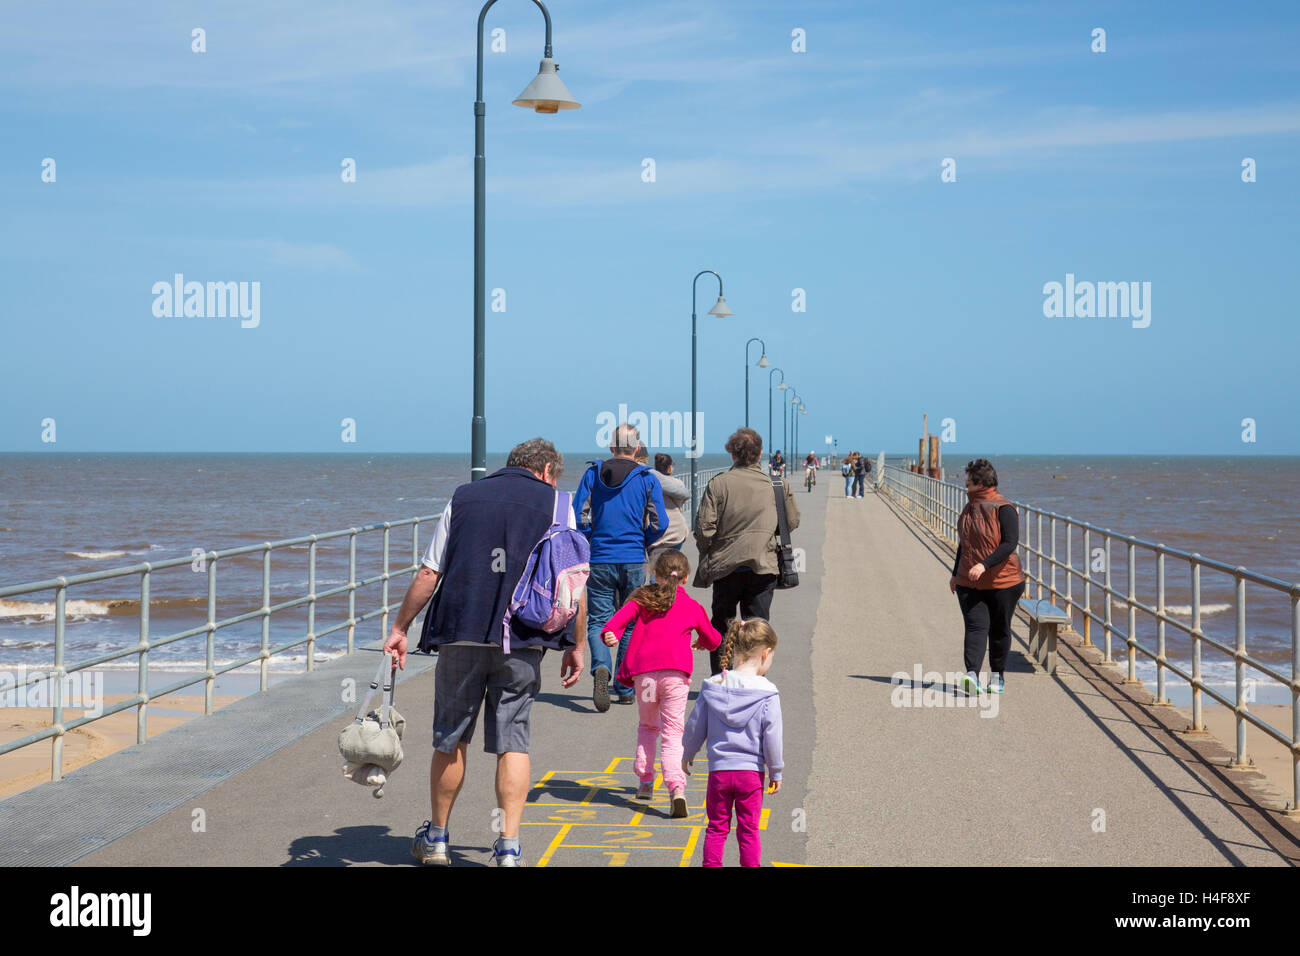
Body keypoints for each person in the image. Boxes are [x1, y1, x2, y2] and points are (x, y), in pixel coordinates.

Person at [383, 438, 586, 868]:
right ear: (547, 469)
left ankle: (437, 839)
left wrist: (401, 627)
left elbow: (429, 571)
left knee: (451, 737)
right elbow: (573, 579)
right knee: (513, 739)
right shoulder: (558, 504)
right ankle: (508, 848)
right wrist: (576, 643)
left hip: (461, 631)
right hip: (524, 638)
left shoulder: (464, 497)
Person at [599, 549, 720, 817]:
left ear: (655, 574)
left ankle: (644, 781)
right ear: (686, 578)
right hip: (675, 675)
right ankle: (676, 787)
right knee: (673, 732)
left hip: (644, 674)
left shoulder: (643, 598)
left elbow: (617, 621)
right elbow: (714, 639)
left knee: (648, 726)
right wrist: (703, 641)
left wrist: (612, 634)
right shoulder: (692, 607)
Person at [573, 423, 669, 711]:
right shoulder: (646, 478)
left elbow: (579, 516)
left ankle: (601, 667)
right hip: (633, 558)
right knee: (632, 621)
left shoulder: (592, 473)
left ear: (611, 447)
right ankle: (625, 686)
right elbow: (660, 522)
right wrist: (644, 540)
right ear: (637, 449)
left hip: (600, 557)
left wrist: (591, 538)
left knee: (599, 620)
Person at [694, 427, 800, 675]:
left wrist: (710, 550)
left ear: (733, 454)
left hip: (725, 566)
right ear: (761, 453)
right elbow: (791, 522)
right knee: (757, 627)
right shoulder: (777, 484)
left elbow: (704, 529)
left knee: (722, 625)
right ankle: (752, 679)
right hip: (763, 566)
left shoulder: (718, 484)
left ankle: (721, 677)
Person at [681, 618, 783, 868]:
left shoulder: (713, 686)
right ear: (765, 653)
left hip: (719, 772)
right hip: (750, 774)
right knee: (749, 831)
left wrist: (688, 751)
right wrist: (775, 770)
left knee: (716, 828)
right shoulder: (768, 692)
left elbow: (696, 724)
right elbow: (773, 737)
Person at [948, 458, 1025, 696]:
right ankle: (972, 675)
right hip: (969, 581)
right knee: (975, 626)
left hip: (1004, 581)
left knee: (999, 628)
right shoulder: (969, 507)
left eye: (968, 479)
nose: (965, 482)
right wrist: (955, 573)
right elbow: (965, 542)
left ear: (979, 482)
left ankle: (997, 676)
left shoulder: (1004, 508)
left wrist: (984, 564)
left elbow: (1009, 544)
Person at [645, 452, 689, 579]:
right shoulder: (679, 484)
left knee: (656, 571)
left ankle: (657, 597)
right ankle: (671, 595)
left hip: (656, 533)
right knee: (673, 568)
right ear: (670, 467)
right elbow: (682, 500)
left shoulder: (650, 482)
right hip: (676, 532)